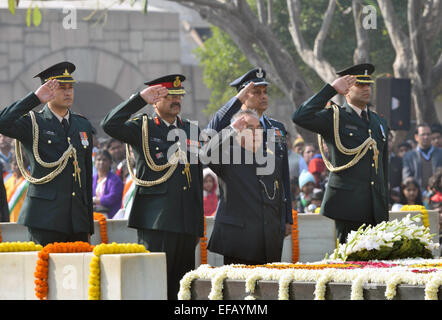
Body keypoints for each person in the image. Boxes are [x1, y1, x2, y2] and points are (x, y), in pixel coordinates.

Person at [101, 74, 204, 300]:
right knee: (155, 286)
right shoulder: (143, 128)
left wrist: (198, 225)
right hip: (156, 222)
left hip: (186, 223)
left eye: (178, 96)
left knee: (183, 289)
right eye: (168, 96)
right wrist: (139, 100)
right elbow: (109, 124)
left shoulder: (191, 130)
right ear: (155, 101)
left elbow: (195, 178)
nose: (175, 100)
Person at [292, 63, 390, 243]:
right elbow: (300, 116)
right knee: (351, 263)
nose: (366, 89)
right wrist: (331, 90)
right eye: (360, 84)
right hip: (349, 206)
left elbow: (383, 167)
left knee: (379, 265)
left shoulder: (379, 122)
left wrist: (384, 202)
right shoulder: (335, 117)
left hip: (375, 206)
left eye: (368, 85)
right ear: (346, 89)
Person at [0, 61, 94, 245]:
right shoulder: (33, 122)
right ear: (47, 90)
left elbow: (86, 178)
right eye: (61, 88)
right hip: (45, 219)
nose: (68, 92)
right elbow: (3, 122)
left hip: (77, 221)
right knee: (45, 273)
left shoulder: (82, 124)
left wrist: (88, 224)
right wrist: (34, 99)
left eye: (70, 87)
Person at [206, 67, 292, 265]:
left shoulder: (276, 129)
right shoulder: (231, 130)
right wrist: (234, 108)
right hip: (240, 232)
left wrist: (287, 217)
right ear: (243, 96)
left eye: (265, 92)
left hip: (270, 227)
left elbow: (283, 176)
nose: (263, 97)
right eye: (256, 92)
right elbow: (207, 143)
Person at [402, 124, 442, 192]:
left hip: (438, 195)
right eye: (423, 134)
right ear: (416, 137)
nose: (426, 137)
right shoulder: (408, 156)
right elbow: (406, 178)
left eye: (428, 134)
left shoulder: (440, 153)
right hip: (417, 196)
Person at [92, 149, 124, 219]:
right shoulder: (92, 179)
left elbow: (113, 197)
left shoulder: (115, 180)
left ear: (110, 162)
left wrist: (95, 200)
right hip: (94, 215)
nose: (101, 162)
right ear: (94, 162)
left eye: (104, 160)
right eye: (98, 160)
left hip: (111, 216)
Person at [5, 154, 29, 222]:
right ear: (11, 165)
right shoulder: (7, 180)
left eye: (19, 164)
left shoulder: (29, 181)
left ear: (25, 165)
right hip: (8, 218)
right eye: (14, 164)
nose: (17, 167)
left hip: (22, 218)